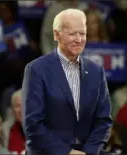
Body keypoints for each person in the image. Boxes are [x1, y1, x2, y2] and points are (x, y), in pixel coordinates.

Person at [22, 8, 113, 155]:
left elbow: (103, 121)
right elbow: (33, 125)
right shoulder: (36, 70)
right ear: (57, 35)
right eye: (72, 34)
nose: (79, 39)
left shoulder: (96, 71)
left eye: (82, 34)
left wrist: (89, 152)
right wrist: (67, 152)